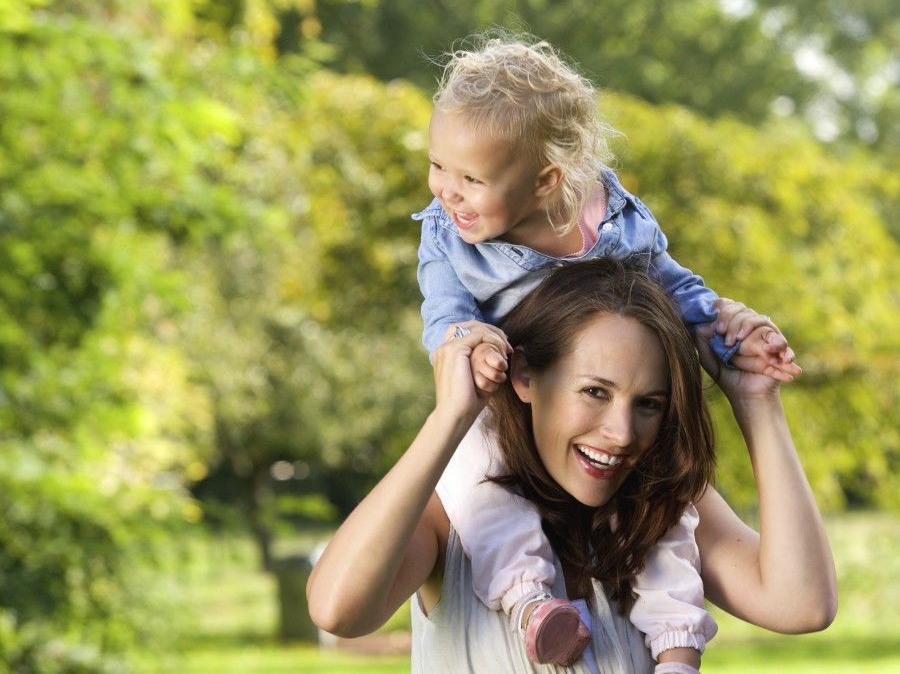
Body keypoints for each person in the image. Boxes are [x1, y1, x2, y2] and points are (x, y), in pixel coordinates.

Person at [411, 33, 802, 667]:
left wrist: (720, 328)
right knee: (482, 484)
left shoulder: (610, 217)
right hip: (499, 404)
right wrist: (465, 344)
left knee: (669, 520)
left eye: (471, 178)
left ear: (546, 180)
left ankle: (676, 645)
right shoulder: (448, 237)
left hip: (559, 422)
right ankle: (530, 602)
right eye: (437, 166)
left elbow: (667, 279)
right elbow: (445, 314)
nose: (446, 192)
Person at [306, 259, 836, 673]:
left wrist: (756, 400)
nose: (623, 433)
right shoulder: (457, 509)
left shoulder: (663, 506)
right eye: (594, 392)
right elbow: (339, 611)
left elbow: (802, 604)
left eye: (648, 404)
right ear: (526, 378)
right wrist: (452, 416)